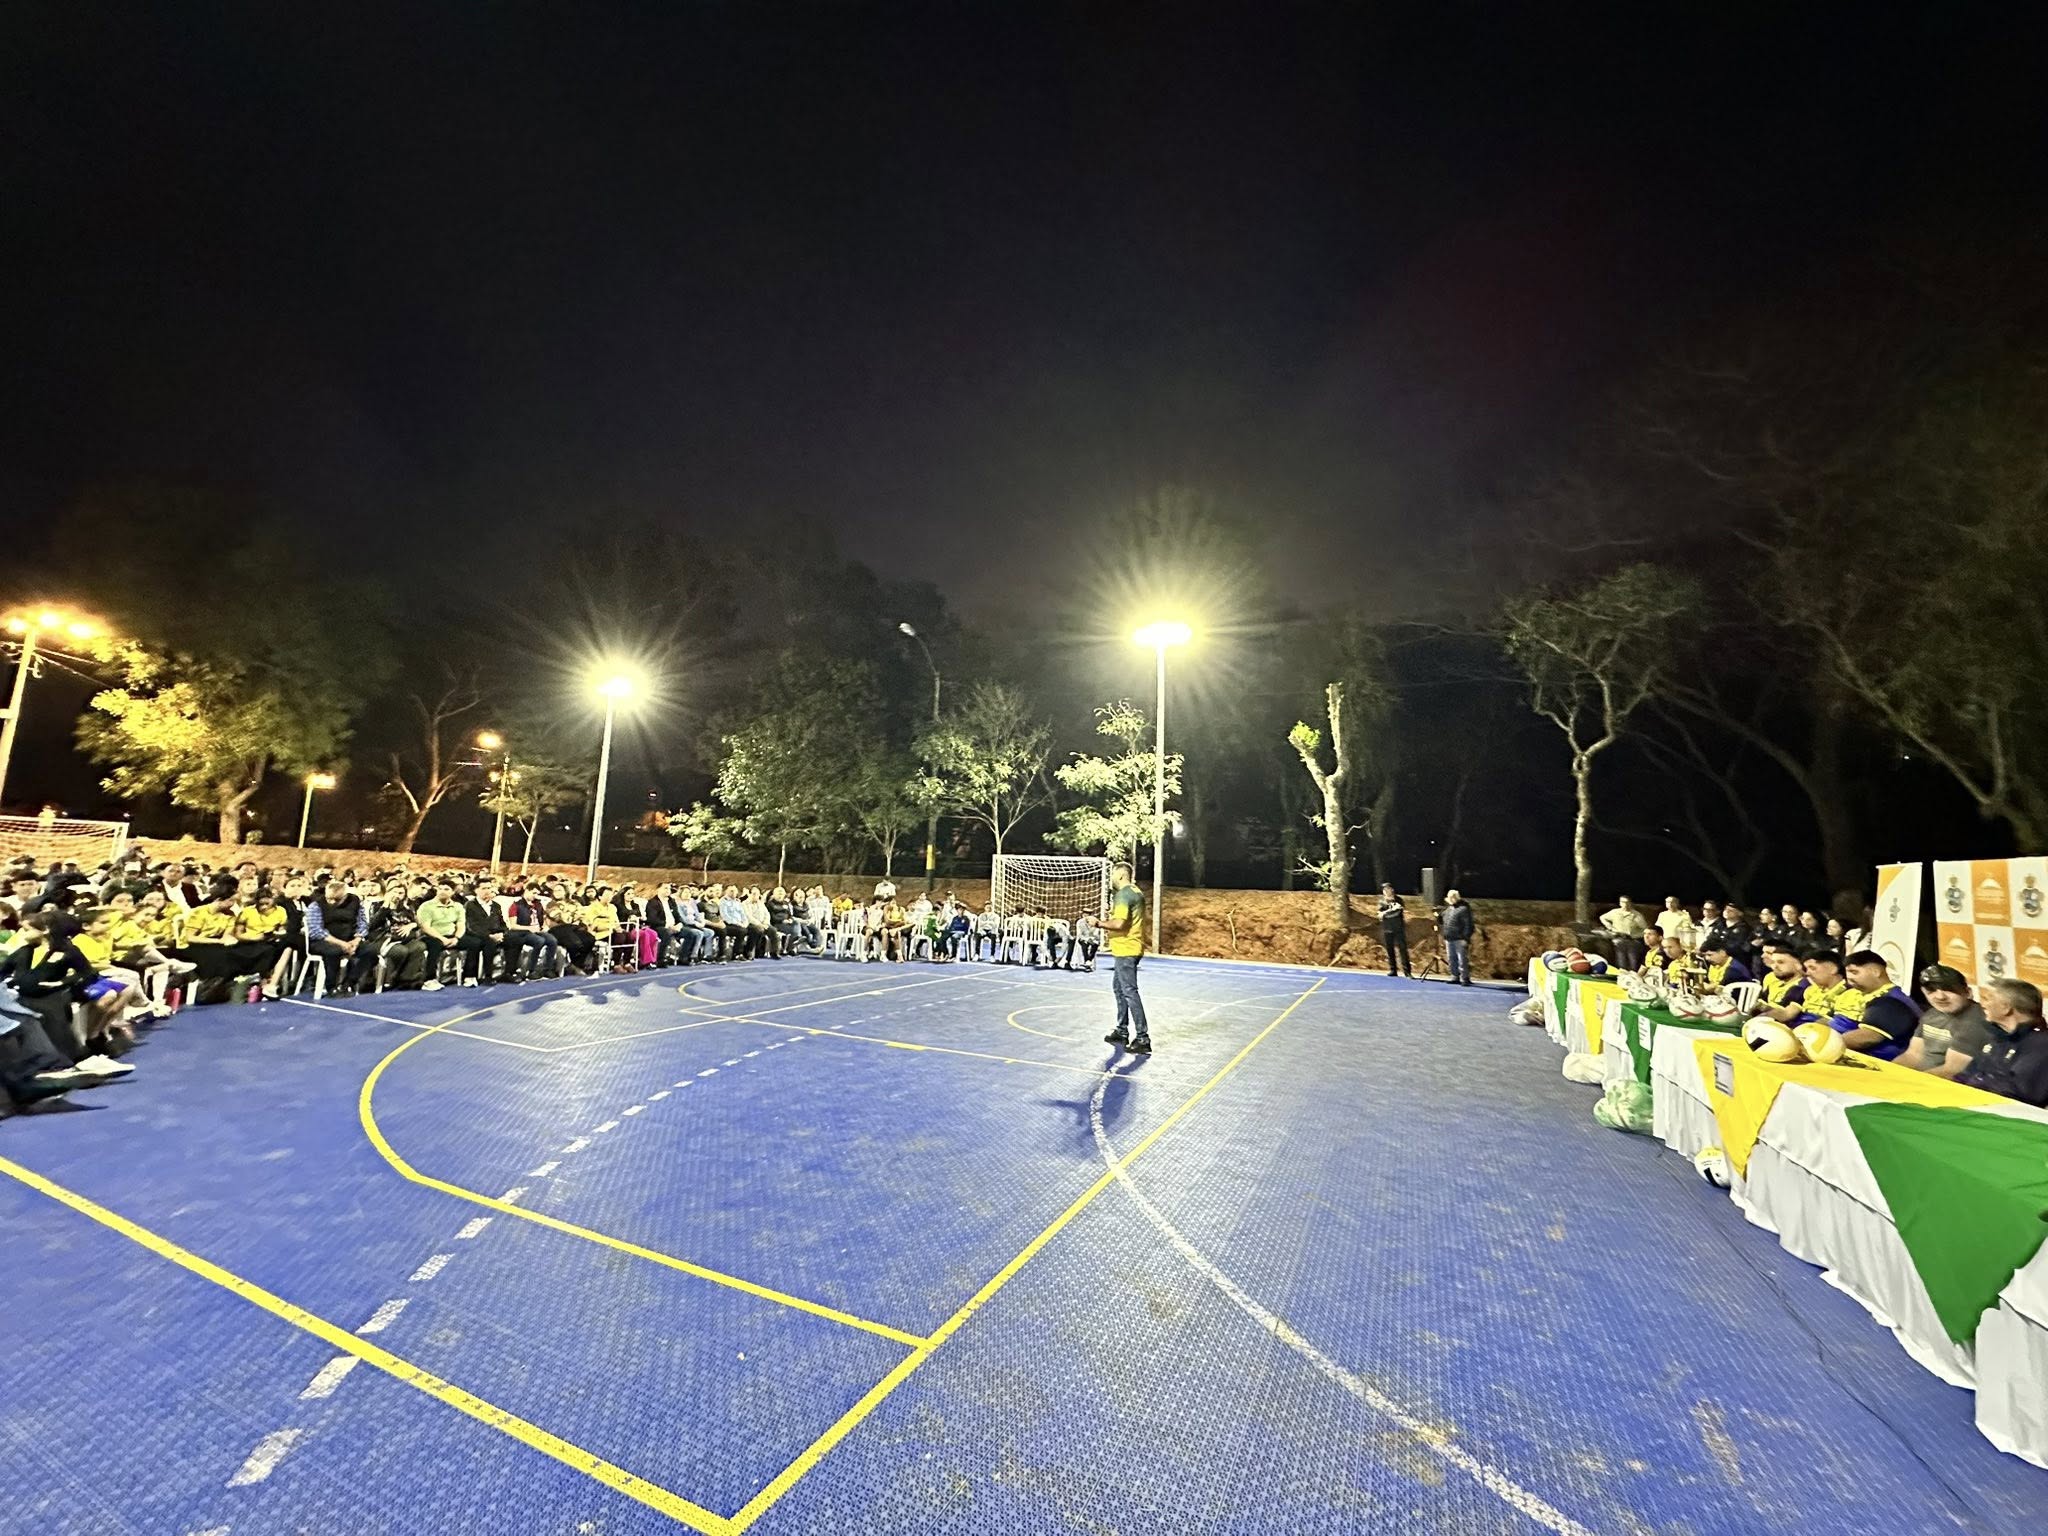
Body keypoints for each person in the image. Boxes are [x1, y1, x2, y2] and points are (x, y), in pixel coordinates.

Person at [1958, 979, 2048, 1106]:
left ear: (2006, 1008)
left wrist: (1978, 1081)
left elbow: (2020, 1093)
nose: (1983, 1004)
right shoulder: (1999, 1038)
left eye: (1988, 999)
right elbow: (1966, 1074)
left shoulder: (2041, 1044)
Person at [1897, 965, 1990, 1079]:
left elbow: (1952, 1071)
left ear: (1967, 992)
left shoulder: (1977, 1020)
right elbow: (1912, 1055)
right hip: (1920, 1080)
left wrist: (1910, 1083)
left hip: (1942, 1085)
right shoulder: (1932, 1014)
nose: (1940, 996)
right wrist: (1886, 1075)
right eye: (1931, 990)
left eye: (1949, 989)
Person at [1100, 859, 1151, 1053]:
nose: (1111, 877)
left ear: (1121, 874)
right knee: (1119, 989)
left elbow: (1119, 924)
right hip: (1130, 947)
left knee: (1129, 991)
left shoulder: (1123, 894)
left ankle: (1143, 1038)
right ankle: (1121, 1030)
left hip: (1126, 948)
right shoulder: (1135, 892)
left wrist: (1098, 923)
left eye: (1113, 873)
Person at [1836, 950, 1919, 1060]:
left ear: (1876, 972)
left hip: (1885, 1063)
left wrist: (1827, 1043)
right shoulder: (1862, 996)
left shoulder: (1892, 1000)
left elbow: (1866, 1038)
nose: (1849, 978)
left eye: (1854, 972)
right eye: (1848, 973)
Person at [415, 879, 468, 989]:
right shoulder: (427, 906)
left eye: (446, 889)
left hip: (452, 936)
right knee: (435, 945)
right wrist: (442, 939)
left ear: (453, 892)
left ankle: (469, 976)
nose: (442, 891)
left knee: (475, 942)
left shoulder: (458, 906)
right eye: (440, 889)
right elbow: (426, 927)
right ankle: (429, 979)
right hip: (431, 936)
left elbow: (461, 924)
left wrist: (456, 938)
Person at [1754, 945, 1810, 1018]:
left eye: (1781, 962)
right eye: (1773, 962)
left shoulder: (1802, 986)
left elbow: (1784, 1015)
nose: (1775, 966)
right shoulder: (1774, 983)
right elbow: (1760, 1002)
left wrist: (1762, 1008)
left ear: (1798, 965)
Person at [1598, 895, 1645, 972]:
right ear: (1620, 903)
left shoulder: (1636, 915)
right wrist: (1610, 927)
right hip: (1618, 938)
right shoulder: (1615, 912)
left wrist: (1635, 935)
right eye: (1623, 902)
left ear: (1630, 903)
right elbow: (1602, 917)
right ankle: (1621, 972)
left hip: (1631, 940)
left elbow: (1644, 928)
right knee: (1620, 959)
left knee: (1632, 960)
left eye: (1627, 902)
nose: (1625, 904)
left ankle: (1632, 973)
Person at [1438, 889, 1475, 985]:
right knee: (1451, 958)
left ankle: (1464, 978)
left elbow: (1468, 925)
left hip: (1460, 938)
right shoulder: (1449, 909)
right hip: (1449, 937)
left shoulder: (1464, 909)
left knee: (1462, 959)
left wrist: (1466, 938)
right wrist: (1438, 916)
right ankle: (1455, 976)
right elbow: (1443, 919)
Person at [1379, 883, 1414, 977]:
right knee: (1390, 950)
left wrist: (1386, 913)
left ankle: (1407, 971)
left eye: (1388, 889)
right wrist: (1388, 912)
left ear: (1392, 889)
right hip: (1387, 929)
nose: (1386, 891)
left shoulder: (1399, 900)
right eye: (1385, 890)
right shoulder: (1382, 901)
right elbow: (1380, 915)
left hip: (1398, 928)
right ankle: (1393, 969)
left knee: (1403, 949)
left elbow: (1397, 912)